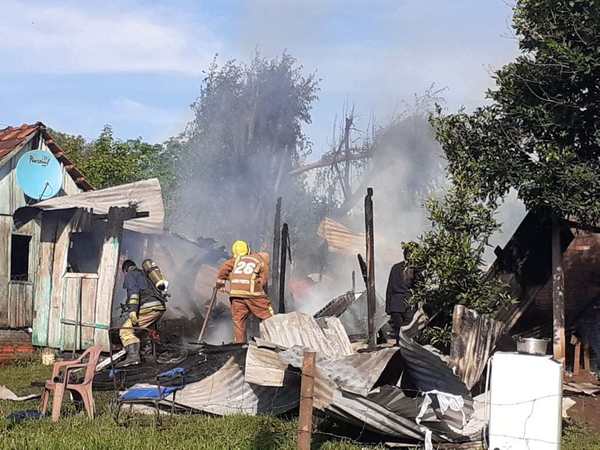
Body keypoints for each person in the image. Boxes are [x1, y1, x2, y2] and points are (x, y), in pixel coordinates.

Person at [216, 240, 274, 343]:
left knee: (239, 321)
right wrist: (260, 288)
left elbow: (223, 269)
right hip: (253, 293)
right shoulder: (259, 259)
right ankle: (273, 339)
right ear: (249, 250)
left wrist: (221, 284)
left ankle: (239, 345)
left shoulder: (236, 260)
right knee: (267, 315)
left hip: (236, 294)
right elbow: (264, 279)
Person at [117, 259, 167, 367]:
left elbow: (134, 293)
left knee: (125, 331)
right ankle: (149, 356)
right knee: (144, 330)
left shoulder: (130, 275)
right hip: (159, 306)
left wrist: (133, 311)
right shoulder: (145, 275)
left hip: (149, 307)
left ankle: (133, 357)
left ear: (125, 270)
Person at [385, 243, 417, 346]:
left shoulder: (415, 269)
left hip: (402, 304)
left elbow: (389, 288)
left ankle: (403, 351)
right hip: (404, 303)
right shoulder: (398, 268)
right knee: (404, 332)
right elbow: (389, 287)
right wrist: (388, 307)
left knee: (404, 333)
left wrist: (388, 307)